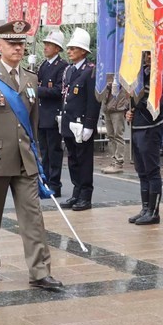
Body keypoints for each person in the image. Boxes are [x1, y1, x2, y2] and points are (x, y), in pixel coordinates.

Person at [0, 21, 64, 291]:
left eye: (21, 43)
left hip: (25, 159)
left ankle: (40, 271)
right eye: (11, 43)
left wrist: (35, 153)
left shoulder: (31, 79)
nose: (17, 48)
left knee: (33, 217)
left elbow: (32, 122)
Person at [125, 52, 163, 225]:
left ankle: (154, 211)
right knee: (141, 171)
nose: (148, 57)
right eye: (146, 54)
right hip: (137, 127)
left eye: (151, 54)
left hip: (151, 128)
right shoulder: (140, 74)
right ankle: (145, 208)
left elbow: (160, 102)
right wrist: (129, 112)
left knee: (151, 171)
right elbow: (133, 101)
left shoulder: (161, 77)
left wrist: (139, 103)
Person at [60, 29, 100, 211]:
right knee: (73, 160)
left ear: (83, 51)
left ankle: (85, 196)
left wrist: (90, 124)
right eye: (69, 49)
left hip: (82, 123)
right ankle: (76, 192)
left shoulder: (90, 71)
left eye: (73, 49)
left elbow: (93, 100)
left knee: (84, 161)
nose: (69, 51)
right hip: (69, 122)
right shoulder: (69, 70)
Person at [36, 30, 68, 198]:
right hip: (42, 115)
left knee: (54, 151)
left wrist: (38, 89)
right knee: (44, 151)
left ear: (57, 48)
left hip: (53, 114)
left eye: (49, 45)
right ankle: (46, 181)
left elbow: (58, 90)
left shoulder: (61, 66)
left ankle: (55, 183)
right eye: (46, 44)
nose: (46, 47)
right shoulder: (43, 65)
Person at [99, 77, 130, 175]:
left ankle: (119, 162)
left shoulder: (122, 73)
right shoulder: (107, 73)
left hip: (118, 108)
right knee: (110, 136)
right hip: (107, 107)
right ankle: (113, 161)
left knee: (118, 135)